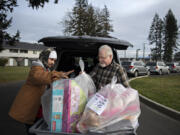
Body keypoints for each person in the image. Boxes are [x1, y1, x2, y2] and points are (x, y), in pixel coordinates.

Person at [8, 48, 73, 135]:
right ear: (45, 57)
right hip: (31, 107)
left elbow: (49, 78)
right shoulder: (36, 69)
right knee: (32, 130)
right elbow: (42, 77)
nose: (53, 62)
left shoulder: (45, 69)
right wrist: (58, 74)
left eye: (54, 60)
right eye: (51, 59)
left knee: (37, 128)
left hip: (39, 107)